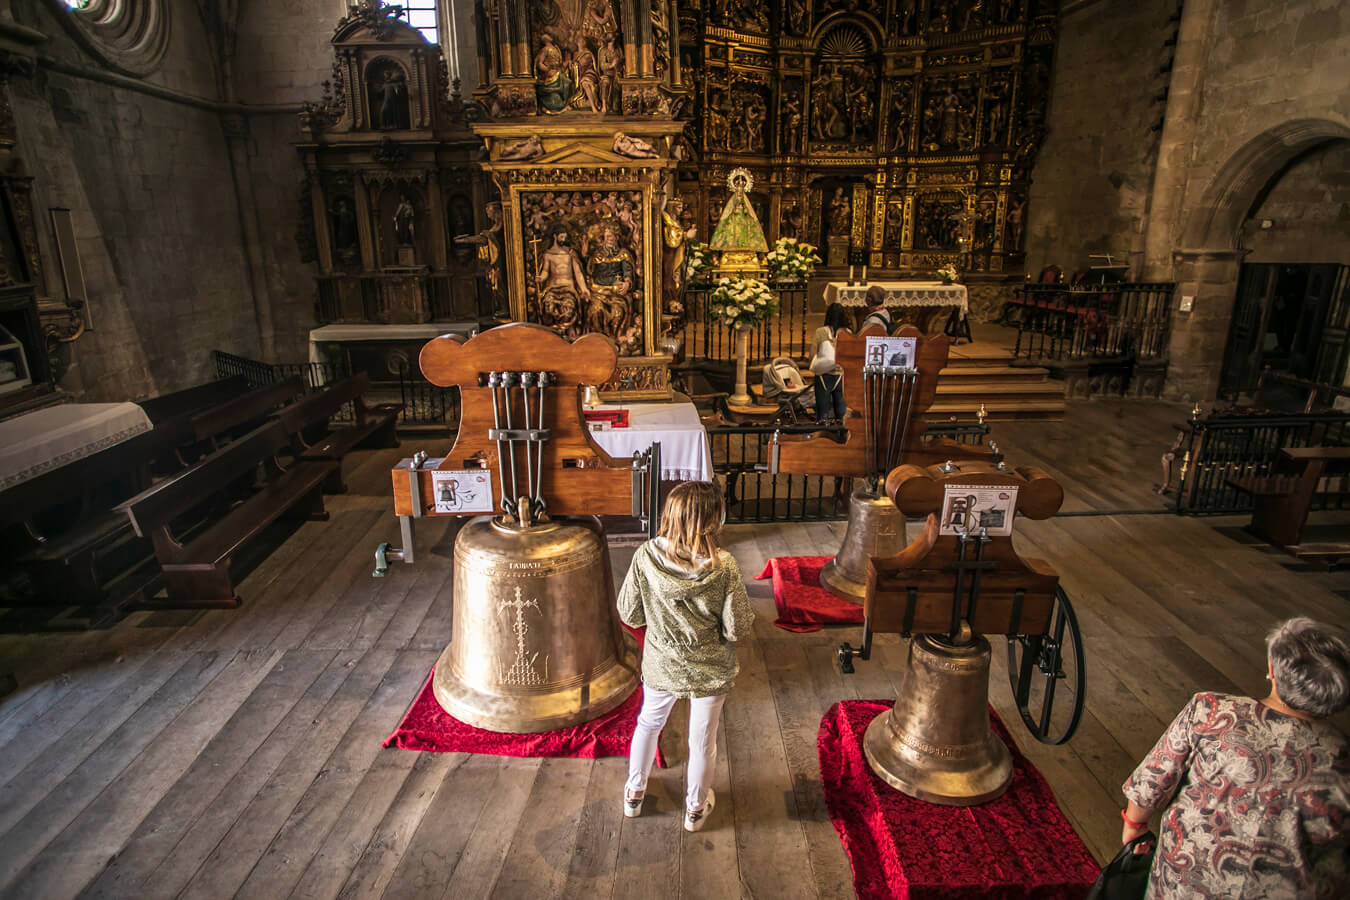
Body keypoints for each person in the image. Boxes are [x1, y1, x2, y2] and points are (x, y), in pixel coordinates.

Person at [1120, 617, 1349, 899]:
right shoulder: (1342, 757)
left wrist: (1134, 827)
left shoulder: (1212, 711)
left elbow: (1151, 782)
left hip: (1185, 882)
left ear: (1271, 671)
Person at [618, 481, 754, 833]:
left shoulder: (646, 557)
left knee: (649, 724)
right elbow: (737, 629)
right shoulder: (724, 567)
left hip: (662, 662)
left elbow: (629, 613)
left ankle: (634, 793)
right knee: (702, 741)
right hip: (710, 667)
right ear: (713, 521)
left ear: (671, 515)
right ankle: (695, 808)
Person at [810, 302, 848, 424]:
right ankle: (842, 438)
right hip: (841, 376)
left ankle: (823, 438)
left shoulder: (820, 332)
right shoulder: (847, 333)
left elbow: (812, 355)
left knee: (822, 413)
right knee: (842, 414)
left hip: (823, 376)